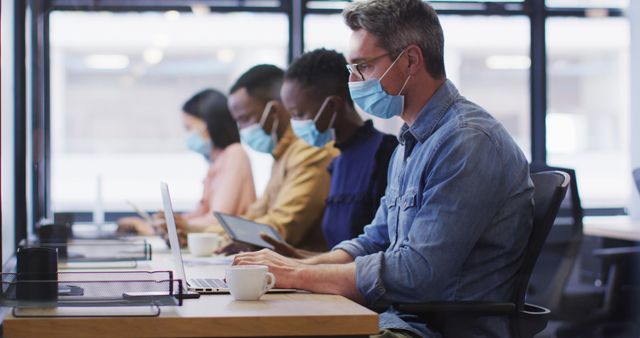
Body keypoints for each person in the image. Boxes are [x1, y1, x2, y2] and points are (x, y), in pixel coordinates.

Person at [233, 1, 534, 337]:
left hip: (436, 330)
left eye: (362, 67)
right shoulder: (410, 142)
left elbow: (418, 273)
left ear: (410, 60)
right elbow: (373, 241)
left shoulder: (466, 142)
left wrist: (297, 276)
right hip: (397, 320)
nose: (354, 81)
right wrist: (294, 266)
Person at [271, 48, 397, 257]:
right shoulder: (337, 163)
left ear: (333, 105)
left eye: (299, 114)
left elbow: (381, 254)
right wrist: (291, 256)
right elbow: (338, 256)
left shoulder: (385, 153)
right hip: (337, 286)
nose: (296, 124)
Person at [210, 64, 336, 252]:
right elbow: (256, 213)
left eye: (246, 119)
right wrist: (203, 233)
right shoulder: (282, 153)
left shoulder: (310, 150)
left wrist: (220, 237)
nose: (242, 130)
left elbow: (283, 226)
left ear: (274, 111)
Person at [117, 89, 256, 235]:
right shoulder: (216, 161)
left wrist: (158, 228)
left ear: (210, 124)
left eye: (189, 128)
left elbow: (216, 220)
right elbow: (199, 215)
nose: (188, 135)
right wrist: (159, 224)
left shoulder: (235, 154)